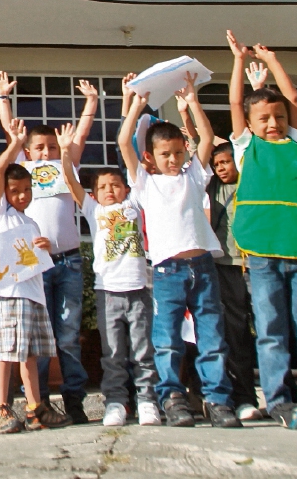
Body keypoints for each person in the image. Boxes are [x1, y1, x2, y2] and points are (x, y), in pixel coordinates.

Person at [226, 32, 297, 429]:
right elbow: (234, 103)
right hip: (262, 250)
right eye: (264, 119)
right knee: (272, 331)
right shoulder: (245, 147)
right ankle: (278, 401)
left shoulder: (296, 142)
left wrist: (273, 61)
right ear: (252, 125)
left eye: (277, 118)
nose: (273, 123)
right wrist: (239, 61)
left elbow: (294, 100)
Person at [118, 72, 240, 428]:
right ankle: (172, 397)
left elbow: (205, 137)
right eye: (164, 154)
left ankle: (217, 400)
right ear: (151, 157)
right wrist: (137, 104)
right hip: (168, 271)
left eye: (177, 152)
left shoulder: (194, 175)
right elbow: (125, 142)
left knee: (211, 335)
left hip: (202, 266)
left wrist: (192, 99)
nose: (172, 159)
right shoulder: (144, 183)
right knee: (167, 339)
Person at [0, 71, 96, 423]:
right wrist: (4, 98)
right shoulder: (22, 172)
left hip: (67, 263)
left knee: (67, 335)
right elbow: (13, 135)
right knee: (37, 339)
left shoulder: (67, 164)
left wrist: (91, 104)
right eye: (40, 148)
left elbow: (79, 136)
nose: (47, 152)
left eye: (51, 147)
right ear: (28, 152)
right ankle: (40, 403)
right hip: (33, 267)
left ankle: (75, 401)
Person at [57, 125, 160, 427]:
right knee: (112, 352)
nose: (111, 190)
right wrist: (65, 152)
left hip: (139, 288)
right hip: (108, 292)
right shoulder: (93, 210)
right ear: (94, 194)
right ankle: (115, 401)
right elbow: (70, 182)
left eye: (116, 185)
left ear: (126, 188)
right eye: (104, 187)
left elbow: (132, 163)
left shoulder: (134, 204)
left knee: (143, 351)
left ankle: (147, 401)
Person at [205, 141, 261, 420]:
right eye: (217, 165)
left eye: (226, 162)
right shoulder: (211, 188)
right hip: (226, 264)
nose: (221, 169)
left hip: (257, 261)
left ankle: (283, 395)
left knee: (267, 329)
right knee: (235, 333)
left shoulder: (253, 181)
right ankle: (244, 397)